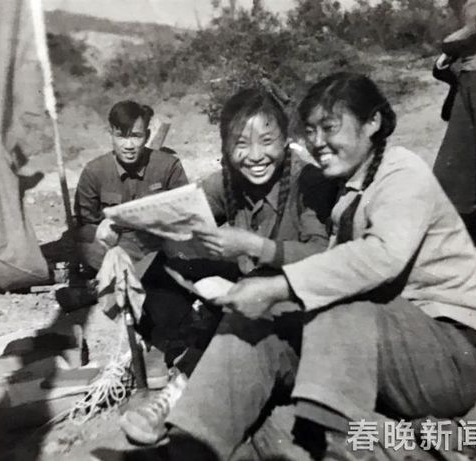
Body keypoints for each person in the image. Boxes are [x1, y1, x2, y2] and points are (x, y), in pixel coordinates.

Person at [122, 72, 476, 460]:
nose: (317, 142)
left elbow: (378, 258)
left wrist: (274, 283)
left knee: (329, 302)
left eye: (329, 128)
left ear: (373, 122)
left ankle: (332, 442)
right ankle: (191, 446)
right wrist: (121, 233)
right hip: (382, 347)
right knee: (257, 325)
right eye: (311, 131)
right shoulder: (347, 192)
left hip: (449, 354)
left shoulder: (401, 171)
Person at [119, 85, 336, 446]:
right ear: (225, 147)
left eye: (267, 141)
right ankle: (190, 356)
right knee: (155, 270)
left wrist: (253, 246)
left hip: (298, 314)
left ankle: (187, 387)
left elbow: (323, 257)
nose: (255, 156)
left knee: (250, 297)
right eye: (241, 144)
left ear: (286, 141)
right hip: (249, 299)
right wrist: (119, 230)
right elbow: (173, 216)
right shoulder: (229, 181)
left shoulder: (307, 182)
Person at [74, 100, 189, 270]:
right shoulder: (94, 171)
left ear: (147, 136)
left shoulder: (168, 166)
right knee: (90, 251)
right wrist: (97, 231)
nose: (129, 146)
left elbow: (188, 215)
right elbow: (81, 225)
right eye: (121, 136)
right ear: (110, 134)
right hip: (117, 249)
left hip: (160, 247)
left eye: (136, 136)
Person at [433, 0, 476, 239]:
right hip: (471, 77)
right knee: (469, 148)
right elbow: (441, 64)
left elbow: (455, 44)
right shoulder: (472, 6)